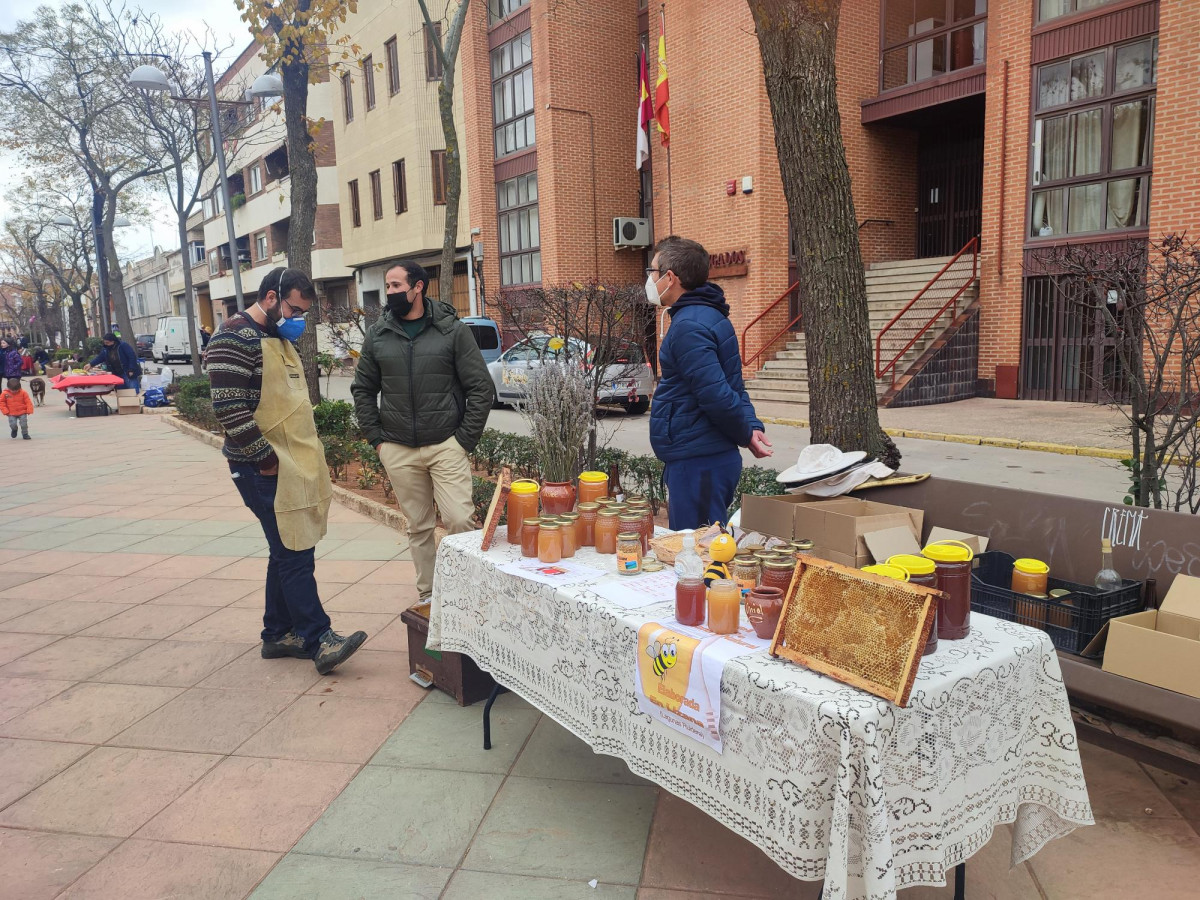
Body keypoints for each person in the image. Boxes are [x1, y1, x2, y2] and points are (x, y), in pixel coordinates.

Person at [207, 266, 367, 675]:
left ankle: (277, 635)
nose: (297, 320)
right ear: (272, 297)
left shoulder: (275, 336)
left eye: (303, 313)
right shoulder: (232, 336)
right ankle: (318, 638)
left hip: (289, 464)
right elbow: (228, 406)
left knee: (286, 551)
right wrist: (266, 458)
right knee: (296, 553)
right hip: (259, 467)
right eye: (294, 310)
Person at [351, 259, 494, 601]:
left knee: (460, 521)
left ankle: (468, 594)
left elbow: (481, 388)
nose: (390, 293)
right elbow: (363, 390)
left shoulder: (451, 330)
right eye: (387, 286)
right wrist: (377, 441)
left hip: (446, 444)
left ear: (418, 287)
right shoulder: (378, 334)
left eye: (396, 286)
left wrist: (463, 441)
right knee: (419, 527)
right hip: (398, 448)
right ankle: (429, 594)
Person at [646, 236, 773, 530]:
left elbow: (717, 394)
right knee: (709, 550)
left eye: (652, 272)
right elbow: (732, 385)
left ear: (669, 277)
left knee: (697, 559)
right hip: (703, 456)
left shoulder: (689, 326)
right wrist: (750, 426)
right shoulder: (709, 316)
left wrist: (746, 433)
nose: (650, 279)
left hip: (698, 462)